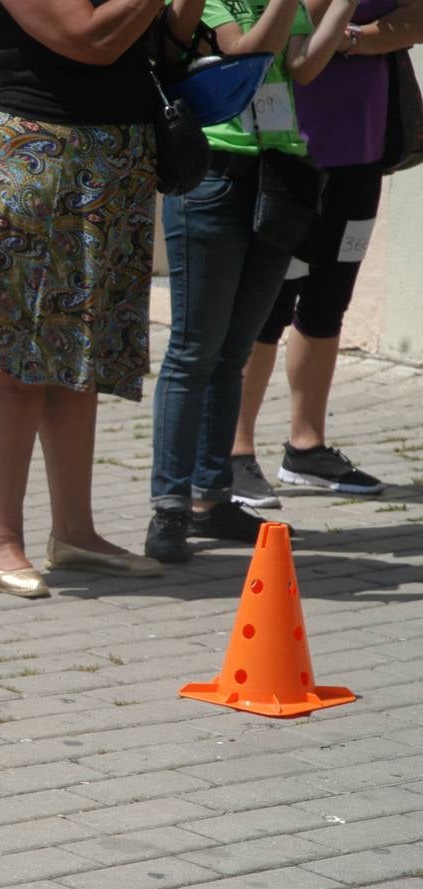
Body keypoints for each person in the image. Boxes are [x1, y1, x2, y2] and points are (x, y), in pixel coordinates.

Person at [0, 0, 203, 598]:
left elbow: (160, 44)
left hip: (117, 163)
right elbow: (88, 39)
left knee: (79, 358)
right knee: (16, 361)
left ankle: (76, 534)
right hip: (42, 155)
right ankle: (1, 542)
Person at [145, 0, 359, 564]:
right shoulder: (214, 2)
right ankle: (170, 505)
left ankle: (212, 499)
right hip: (214, 172)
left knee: (233, 352)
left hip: (280, 176)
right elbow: (243, 52)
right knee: (193, 351)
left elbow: (302, 67)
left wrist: (344, 5)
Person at [229, 0, 422, 508]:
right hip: (293, 147)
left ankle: (305, 446)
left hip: (362, 147)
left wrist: (354, 39)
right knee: (269, 306)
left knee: (328, 300)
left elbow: (417, 22)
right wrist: (355, 29)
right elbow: (297, 36)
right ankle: (234, 450)